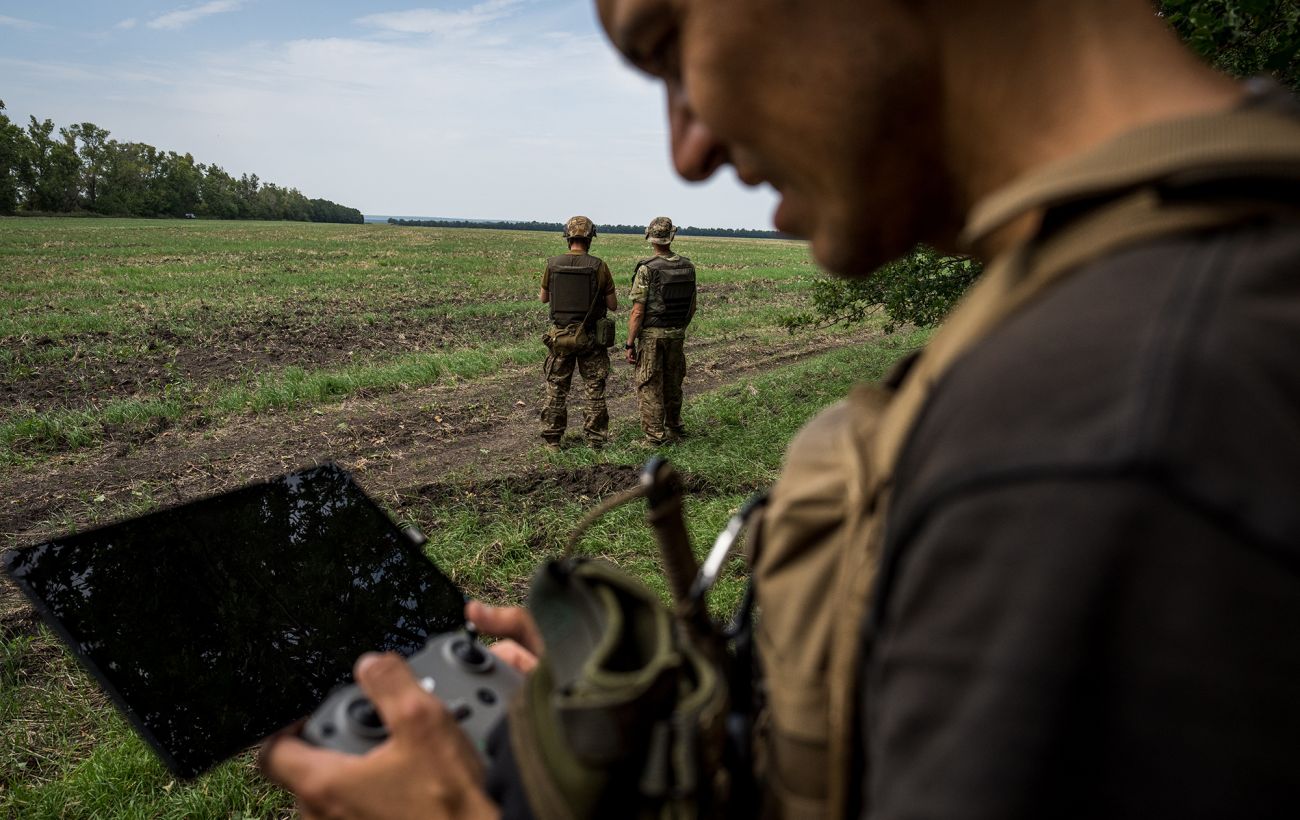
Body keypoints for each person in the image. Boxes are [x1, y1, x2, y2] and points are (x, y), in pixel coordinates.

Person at [262, 1, 1300, 817]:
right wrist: (685, 719)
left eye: (671, 41)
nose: (690, 146)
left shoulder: (1097, 433)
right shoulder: (1138, 305)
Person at [537, 215, 617, 450]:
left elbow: (543, 298)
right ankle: (595, 440)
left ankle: (553, 441)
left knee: (556, 390)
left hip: (560, 338)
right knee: (594, 390)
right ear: (590, 238)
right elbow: (613, 305)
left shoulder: (552, 264)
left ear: (568, 237)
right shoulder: (599, 266)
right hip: (590, 338)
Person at [625, 216, 696, 445]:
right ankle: (674, 428)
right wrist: (679, 328)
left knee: (650, 384)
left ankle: (654, 437)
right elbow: (692, 306)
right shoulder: (688, 266)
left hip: (653, 336)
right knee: (673, 382)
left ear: (650, 238)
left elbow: (637, 311)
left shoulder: (647, 268)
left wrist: (629, 343)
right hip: (676, 334)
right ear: (671, 236)